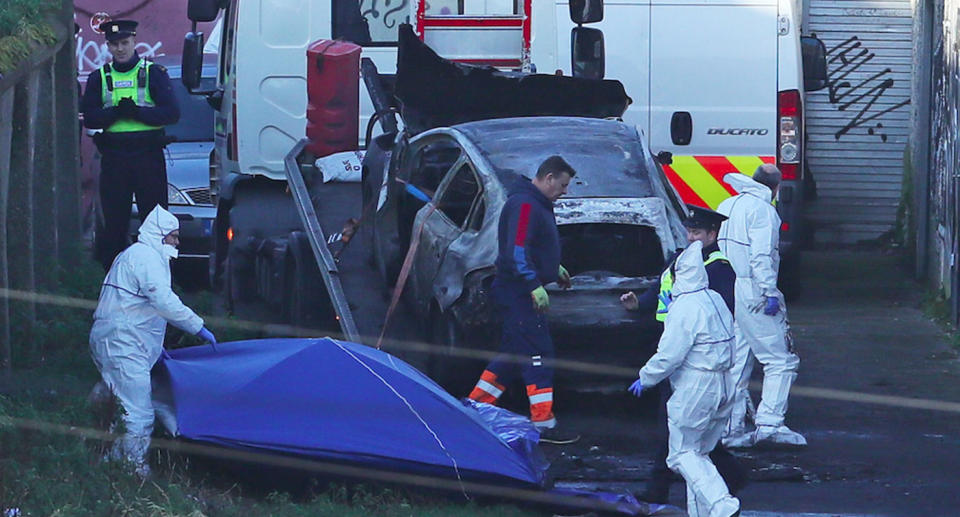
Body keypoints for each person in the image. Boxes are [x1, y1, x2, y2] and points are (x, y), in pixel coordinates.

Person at [621, 205, 746, 504]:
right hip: (676, 350)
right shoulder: (682, 260)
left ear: (712, 234)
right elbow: (662, 288)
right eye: (689, 231)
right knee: (692, 438)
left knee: (681, 436)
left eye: (697, 233)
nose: (691, 237)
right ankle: (722, 483)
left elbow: (713, 321)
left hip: (690, 361)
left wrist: (648, 375)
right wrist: (641, 303)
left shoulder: (717, 269)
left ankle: (698, 492)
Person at [89, 206, 216, 477]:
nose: (177, 243)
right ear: (159, 235)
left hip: (118, 342)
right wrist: (198, 326)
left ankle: (107, 465)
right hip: (123, 344)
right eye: (173, 237)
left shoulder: (137, 256)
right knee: (139, 412)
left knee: (118, 406)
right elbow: (163, 302)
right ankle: (133, 471)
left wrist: (155, 349)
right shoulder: (146, 257)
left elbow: (140, 309)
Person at [467, 155, 579, 445]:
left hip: (517, 290)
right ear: (549, 177)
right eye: (563, 185)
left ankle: (476, 406)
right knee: (539, 354)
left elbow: (531, 246)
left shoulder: (534, 203)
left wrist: (553, 268)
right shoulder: (525, 205)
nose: (565, 191)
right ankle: (543, 422)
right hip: (517, 293)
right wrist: (533, 283)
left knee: (511, 354)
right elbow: (515, 251)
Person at [716, 165, 805, 447]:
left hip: (731, 288)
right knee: (781, 359)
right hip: (754, 288)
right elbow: (761, 255)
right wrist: (769, 292)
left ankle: (730, 428)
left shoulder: (728, 204)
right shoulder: (765, 212)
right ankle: (770, 425)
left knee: (738, 361)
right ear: (775, 188)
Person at [81, 19, 180, 270]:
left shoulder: (153, 73)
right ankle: (115, 282)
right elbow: (89, 117)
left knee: (156, 222)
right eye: (114, 44)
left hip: (148, 156)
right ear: (108, 46)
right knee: (114, 226)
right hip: (115, 158)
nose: (120, 49)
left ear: (134, 41)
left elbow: (171, 113)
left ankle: (159, 278)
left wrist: (137, 113)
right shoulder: (99, 77)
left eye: (125, 43)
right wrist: (115, 113)